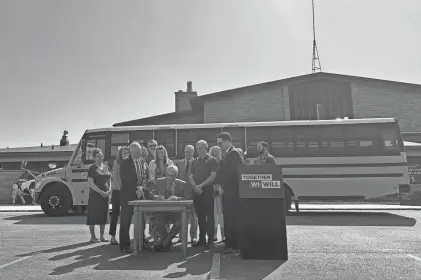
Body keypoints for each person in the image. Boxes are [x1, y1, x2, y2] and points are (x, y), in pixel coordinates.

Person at [119, 142, 154, 254]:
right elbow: (124, 178)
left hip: (140, 194)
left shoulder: (142, 161)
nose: (140, 153)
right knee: (126, 220)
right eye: (138, 152)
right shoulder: (124, 162)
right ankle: (124, 245)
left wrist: (142, 188)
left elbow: (143, 177)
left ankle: (141, 241)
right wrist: (136, 188)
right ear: (131, 151)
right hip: (128, 195)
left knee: (142, 220)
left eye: (140, 152)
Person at [217, 132, 243, 254]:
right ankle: (230, 243)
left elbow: (232, 174)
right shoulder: (229, 153)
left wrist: (223, 187)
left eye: (220, 143)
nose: (219, 146)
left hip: (232, 192)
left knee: (231, 217)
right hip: (230, 191)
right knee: (229, 217)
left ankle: (233, 245)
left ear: (228, 141)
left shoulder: (233, 154)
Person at [189, 140, 218, 249]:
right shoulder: (194, 161)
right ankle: (202, 239)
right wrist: (195, 186)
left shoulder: (212, 160)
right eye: (197, 148)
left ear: (206, 148)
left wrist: (200, 186)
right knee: (200, 216)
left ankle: (210, 240)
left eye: (200, 148)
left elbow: (213, 176)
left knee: (209, 216)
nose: (198, 150)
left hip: (207, 191)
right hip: (197, 192)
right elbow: (191, 176)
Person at [153, 165, 188, 251]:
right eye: (168, 175)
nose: (170, 177)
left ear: (176, 175)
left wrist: (178, 198)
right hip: (162, 210)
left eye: (172, 176)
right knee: (158, 221)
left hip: (177, 212)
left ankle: (164, 243)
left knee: (179, 223)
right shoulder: (159, 181)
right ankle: (167, 242)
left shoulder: (182, 184)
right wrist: (156, 196)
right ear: (166, 174)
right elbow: (152, 193)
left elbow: (188, 198)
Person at [86, 148, 111, 242]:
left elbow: (109, 180)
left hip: (105, 195)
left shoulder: (107, 167)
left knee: (103, 215)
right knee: (93, 215)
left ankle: (102, 236)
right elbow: (91, 183)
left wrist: (109, 190)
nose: (100, 158)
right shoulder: (92, 169)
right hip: (95, 195)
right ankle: (93, 237)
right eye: (98, 156)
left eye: (101, 156)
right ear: (94, 158)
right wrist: (101, 192)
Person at [175, 145, 198, 244]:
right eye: (186, 152)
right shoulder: (178, 163)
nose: (187, 154)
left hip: (193, 193)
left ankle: (193, 236)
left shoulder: (197, 163)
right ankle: (181, 236)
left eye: (189, 152)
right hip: (181, 193)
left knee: (193, 215)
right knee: (181, 215)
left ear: (193, 153)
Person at [109, 146, 129, 245]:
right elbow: (115, 177)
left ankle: (124, 238)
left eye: (127, 152)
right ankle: (112, 237)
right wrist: (122, 188)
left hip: (126, 192)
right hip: (118, 191)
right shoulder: (117, 163)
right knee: (115, 214)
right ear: (120, 154)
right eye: (124, 153)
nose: (125, 154)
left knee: (125, 215)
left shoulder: (130, 163)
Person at [209, 146, 225, 242]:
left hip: (221, 189)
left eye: (216, 152)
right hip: (211, 190)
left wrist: (223, 188)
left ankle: (223, 235)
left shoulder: (223, 163)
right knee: (213, 213)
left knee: (221, 214)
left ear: (219, 153)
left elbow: (225, 177)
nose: (214, 153)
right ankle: (214, 234)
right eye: (212, 152)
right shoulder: (210, 163)